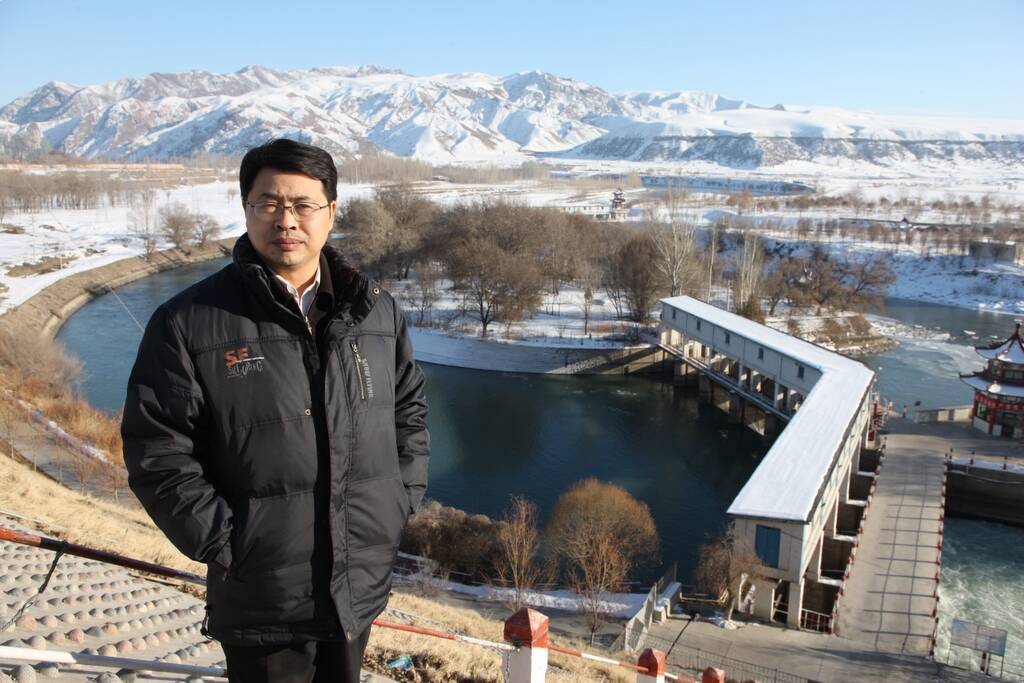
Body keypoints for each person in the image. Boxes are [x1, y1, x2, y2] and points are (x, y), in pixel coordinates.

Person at [121, 138, 430, 683]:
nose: (286, 220)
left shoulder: (376, 311)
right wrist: (227, 543)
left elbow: (408, 413)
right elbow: (158, 449)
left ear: (331, 212)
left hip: (358, 585)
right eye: (268, 203)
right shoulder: (189, 321)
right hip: (260, 595)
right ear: (246, 209)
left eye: (303, 204)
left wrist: (398, 501)